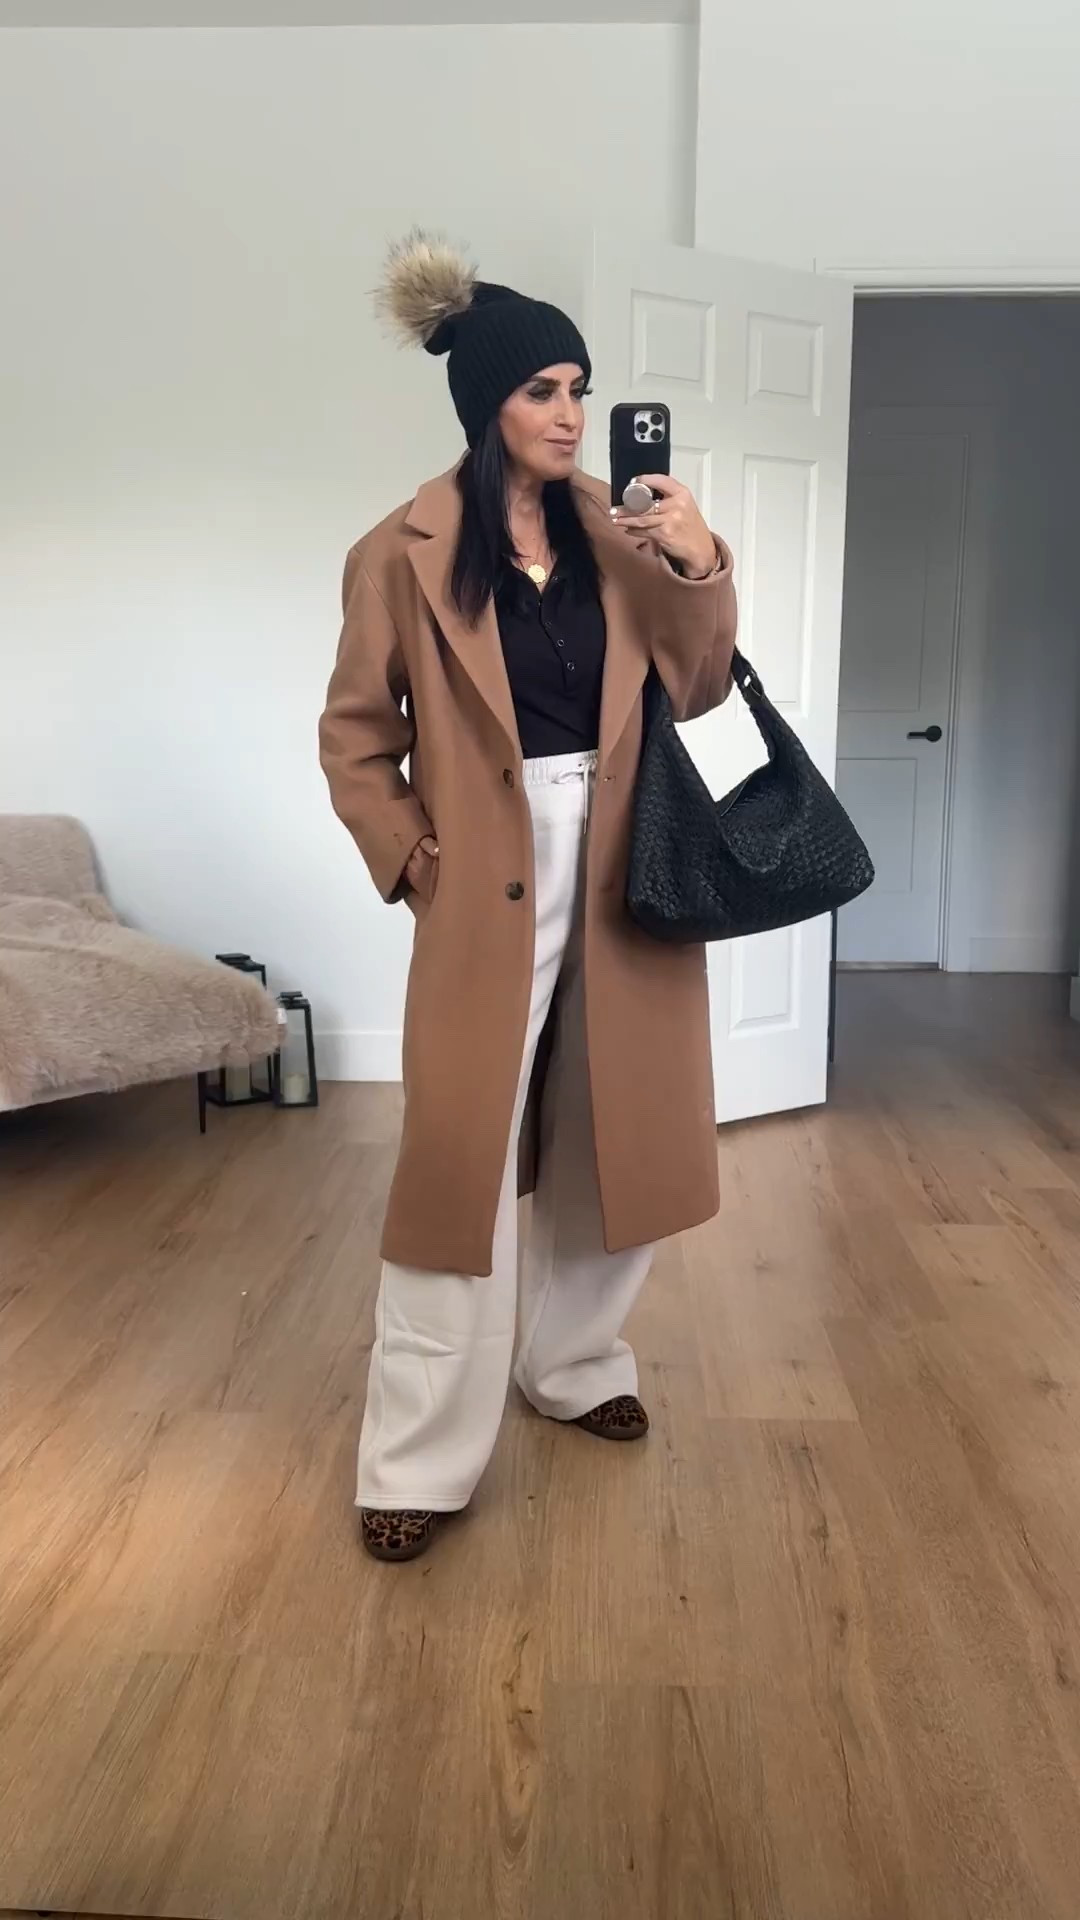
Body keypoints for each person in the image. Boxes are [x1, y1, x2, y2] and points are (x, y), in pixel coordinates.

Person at [319, 231, 737, 1562]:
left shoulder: (621, 529)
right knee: (460, 1166)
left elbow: (701, 689)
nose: (569, 415)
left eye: (580, 389)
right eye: (543, 390)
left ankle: (573, 1367)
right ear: (485, 402)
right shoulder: (400, 551)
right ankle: (416, 1460)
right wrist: (412, 858)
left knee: (621, 1134)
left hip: (624, 856)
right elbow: (354, 738)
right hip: (483, 873)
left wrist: (693, 559)